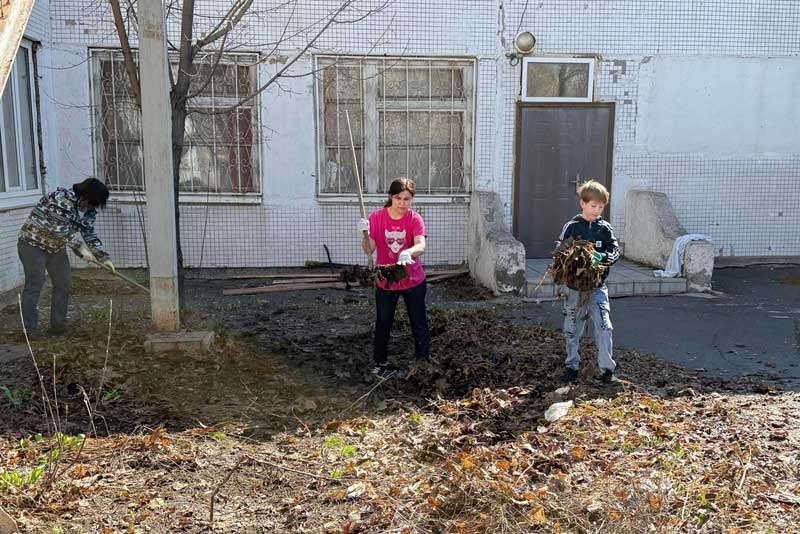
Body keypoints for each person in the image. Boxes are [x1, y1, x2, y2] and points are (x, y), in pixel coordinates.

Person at [17, 178, 113, 336]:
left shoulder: (89, 211)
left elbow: (89, 233)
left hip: (55, 247)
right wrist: (80, 248)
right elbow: (58, 230)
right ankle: (29, 330)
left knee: (64, 283)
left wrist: (103, 257)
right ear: (86, 195)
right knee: (35, 284)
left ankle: (58, 326)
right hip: (32, 244)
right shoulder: (62, 199)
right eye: (93, 202)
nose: (93, 207)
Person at [358, 177, 430, 377]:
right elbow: (369, 249)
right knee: (383, 321)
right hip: (386, 279)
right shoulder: (377, 218)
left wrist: (409, 252)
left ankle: (423, 362)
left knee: (418, 321)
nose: (402, 203)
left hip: (412, 279)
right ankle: (380, 362)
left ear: (412, 199)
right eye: (398, 198)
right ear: (391, 197)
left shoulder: (414, 218)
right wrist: (364, 233)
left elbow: (421, 245)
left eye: (407, 199)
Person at [557, 180, 620, 384]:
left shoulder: (605, 229)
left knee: (605, 326)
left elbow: (615, 251)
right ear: (582, 203)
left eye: (601, 207)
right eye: (593, 206)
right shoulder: (572, 226)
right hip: (575, 288)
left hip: (598, 288)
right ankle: (571, 367)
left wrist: (602, 257)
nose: (597, 210)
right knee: (572, 328)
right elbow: (559, 250)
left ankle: (607, 370)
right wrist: (571, 257)